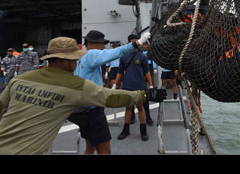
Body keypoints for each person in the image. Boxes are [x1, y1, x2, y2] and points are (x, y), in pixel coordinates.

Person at [0, 37, 166, 154]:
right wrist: (145, 95)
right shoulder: (74, 86)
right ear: (66, 61)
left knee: (90, 145)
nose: (76, 62)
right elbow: (110, 97)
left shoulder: (19, 80)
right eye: (74, 59)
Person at [68, 29, 152, 154]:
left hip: (80, 109)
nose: (104, 46)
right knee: (105, 151)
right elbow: (117, 52)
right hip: (93, 111)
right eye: (102, 43)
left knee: (90, 147)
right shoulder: (92, 54)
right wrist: (138, 42)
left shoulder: (80, 58)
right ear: (92, 43)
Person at [114, 34, 154, 141]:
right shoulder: (124, 57)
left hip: (139, 87)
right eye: (134, 42)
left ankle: (143, 131)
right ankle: (126, 130)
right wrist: (115, 84)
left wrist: (150, 85)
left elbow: (147, 72)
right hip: (127, 86)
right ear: (129, 43)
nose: (137, 45)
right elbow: (120, 72)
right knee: (128, 109)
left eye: (138, 42)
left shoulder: (142, 57)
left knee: (140, 108)